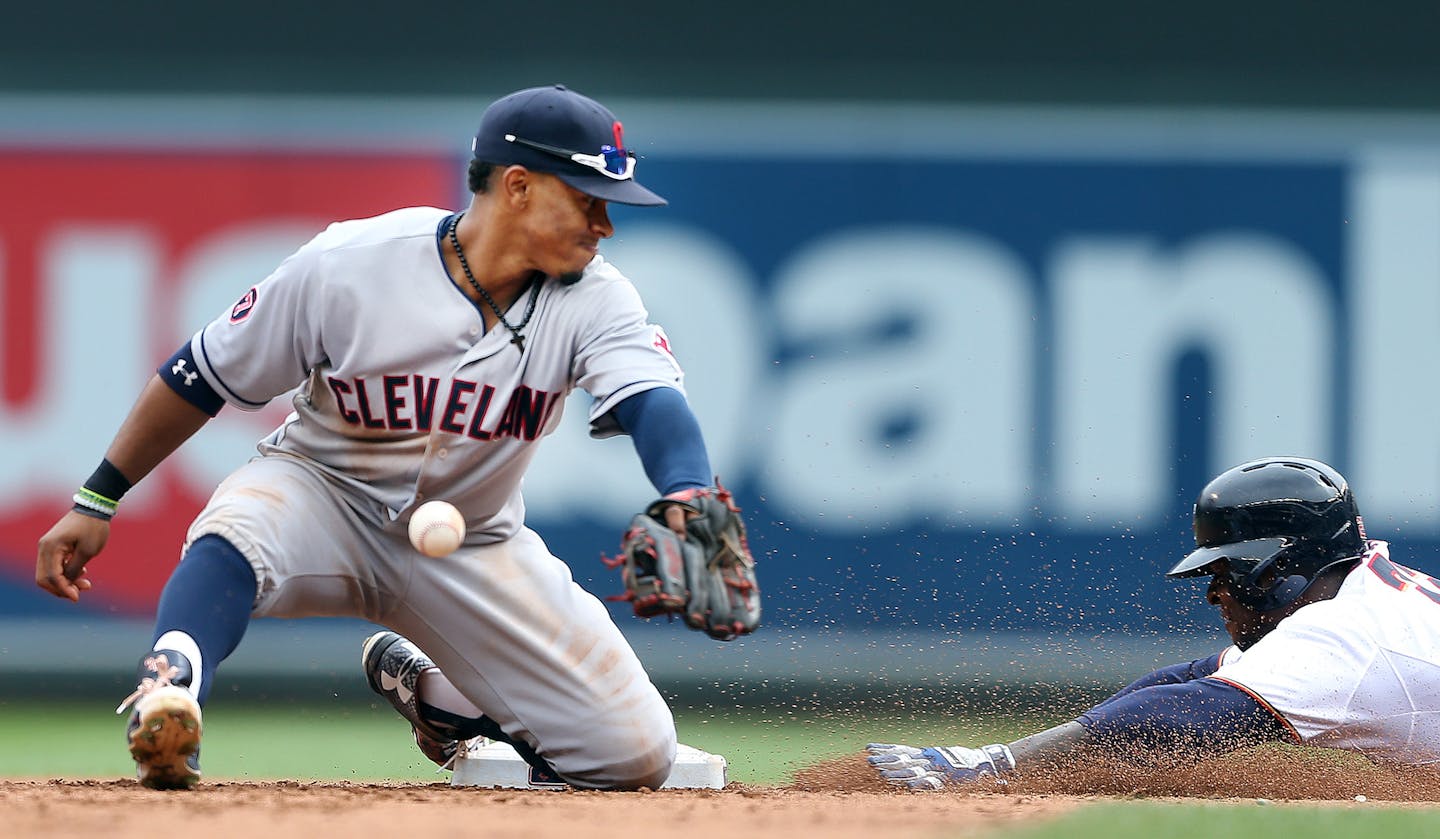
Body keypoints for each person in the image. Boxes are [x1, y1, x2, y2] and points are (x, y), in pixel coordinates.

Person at [35, 84, 757, 791]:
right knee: (238, 527)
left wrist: (688, 488)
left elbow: (652, 399)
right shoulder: (352, 262)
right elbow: (200, 376)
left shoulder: (597, 298)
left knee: (634, 757)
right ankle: (171, 685)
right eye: (587, 197)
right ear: (518, 186)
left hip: (474, 542)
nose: (604, 223)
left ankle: (444, 698)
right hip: (321, 492)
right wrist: (99, 497)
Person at [867, 456, 1440, 790]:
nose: (1215, 594)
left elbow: (1183, 714)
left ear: (1279, 568)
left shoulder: (1347, 635)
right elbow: (1189, 680)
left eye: (1224, 572)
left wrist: (995, 763)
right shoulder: (1363, 594)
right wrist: (1036, 753)